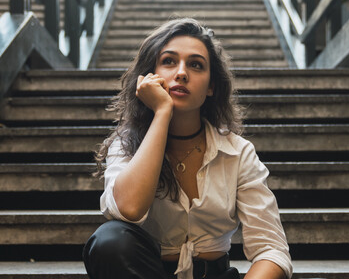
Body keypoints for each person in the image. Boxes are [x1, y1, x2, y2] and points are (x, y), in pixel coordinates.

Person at [83, 18, 292, 279]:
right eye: (169, 61)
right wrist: (162, 113)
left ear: (211, 86)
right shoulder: (126, 144)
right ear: (149, 76)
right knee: (109, 241)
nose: (181, 73)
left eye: (196, 65)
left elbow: (271, 250)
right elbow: (130, 209)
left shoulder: (237, 152)